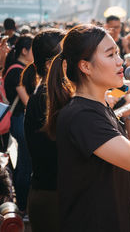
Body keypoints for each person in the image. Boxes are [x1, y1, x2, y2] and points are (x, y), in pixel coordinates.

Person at [44, 24, 130, 231]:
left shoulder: (97, 105)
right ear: (85, 66)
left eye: (118, 53)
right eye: (111, 54)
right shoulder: (82, 116)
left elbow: (122, 158)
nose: (120, 61)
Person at [22, 29, 65, 232]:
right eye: (67, 55)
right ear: (50, 64)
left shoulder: (51, 95)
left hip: (52, 194)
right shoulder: (46, 99)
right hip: (53, 197)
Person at [3, 35, 33, 214]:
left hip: (19, 119)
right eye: (32, 49)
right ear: (24, 51)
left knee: (24, 161)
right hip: (20, 119)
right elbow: (27, 101)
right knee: (25, 163)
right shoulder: (17, 71)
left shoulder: (20, 68)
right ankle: (22, 206)